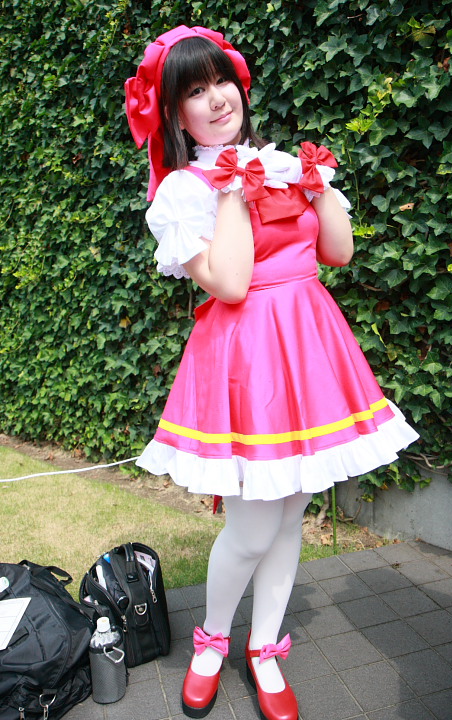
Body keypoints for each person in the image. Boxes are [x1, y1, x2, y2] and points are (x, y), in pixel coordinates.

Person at [125, 25, 419, 720]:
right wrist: (232, 190)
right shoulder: (182, 193)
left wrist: (317, 186)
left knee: (289, 516)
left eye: (221, 81)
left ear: (240, 86)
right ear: (175, 115)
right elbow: (229, 283)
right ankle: (210, 644)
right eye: (195, 90)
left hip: (309, 347)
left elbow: (337, 253)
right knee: (254, 528)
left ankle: (264, 649)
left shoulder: (280, 162)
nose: (216, 98)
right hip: (247, 358)